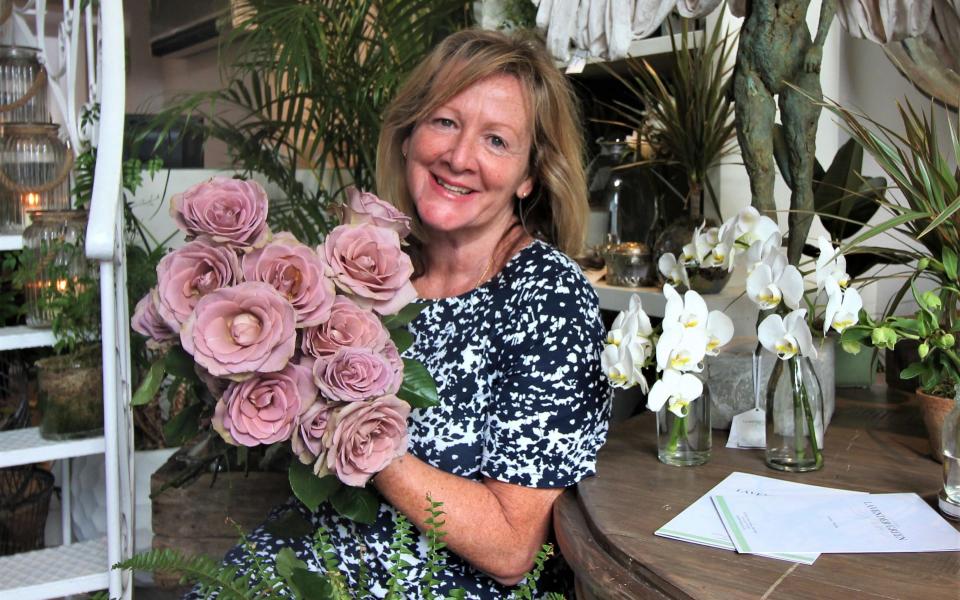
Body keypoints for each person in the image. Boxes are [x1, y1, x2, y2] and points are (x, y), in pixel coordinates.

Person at [194, 28, 611, 599]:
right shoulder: (370, 273)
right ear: (411, 132)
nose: (459, 157)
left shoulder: (548, 298)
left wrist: (358, 435)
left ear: (529, 176)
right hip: (306, 562)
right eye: (444, 121)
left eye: (496, 141)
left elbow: (514, 546)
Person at [733, 0, 836, 264]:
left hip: (799, 63)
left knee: (802, 175)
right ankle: (768, 272)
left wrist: (820, 45)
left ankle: (792, 268)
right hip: (751, 67)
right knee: (760, 176)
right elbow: (750, 12)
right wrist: (736, 68)